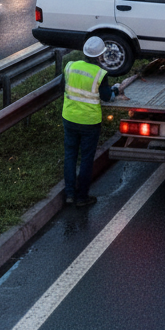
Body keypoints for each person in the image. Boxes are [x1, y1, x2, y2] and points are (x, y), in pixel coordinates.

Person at [62, 36, 121, 208]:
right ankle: (82, 197)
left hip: (70, 118)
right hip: (89, 122)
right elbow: (106, 97)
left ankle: (69, 194)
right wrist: (115, 91)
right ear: (100, 55)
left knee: (70, 156)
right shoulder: (100, 73)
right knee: (86, 159)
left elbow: (62, 88)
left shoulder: (70, 66)